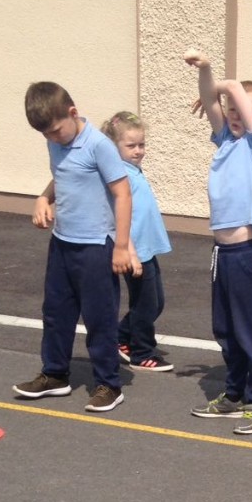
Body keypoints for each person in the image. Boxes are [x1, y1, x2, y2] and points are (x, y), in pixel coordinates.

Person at [14, 82, 132, 413]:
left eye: (55, 131)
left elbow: (123, 193)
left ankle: (109, 384)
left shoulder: (98, 145)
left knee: (99, 317)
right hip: (62, 242)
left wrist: (122, 246)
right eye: (45, 135)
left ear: (73, 113)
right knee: (56, 313)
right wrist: (43, 198)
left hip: (95, 246)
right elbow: (62, 174)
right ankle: (55, 374)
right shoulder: (56, 143)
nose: (52, 138)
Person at [184, 51, 252, 435]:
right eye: (231, 111)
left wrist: (222, 87)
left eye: (242, 110)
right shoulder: (226, 141)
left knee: (250, 331)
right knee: (225, 329)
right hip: (222, 253)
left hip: (247, 253)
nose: (234, 115)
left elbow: (231, 89)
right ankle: (234, 395)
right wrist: (206, 74)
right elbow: (213, 101)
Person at [101, 111, 173, 373]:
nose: (138, 150)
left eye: (141, 144)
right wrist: (129, 250)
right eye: (131, 145)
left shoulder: (132, 170)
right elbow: (118, 215)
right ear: (114, 147)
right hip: (135, 250)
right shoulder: (120, 175)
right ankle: (141, 352)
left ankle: (121, 336)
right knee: (145, 303)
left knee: (155, 302)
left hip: (146, 247)